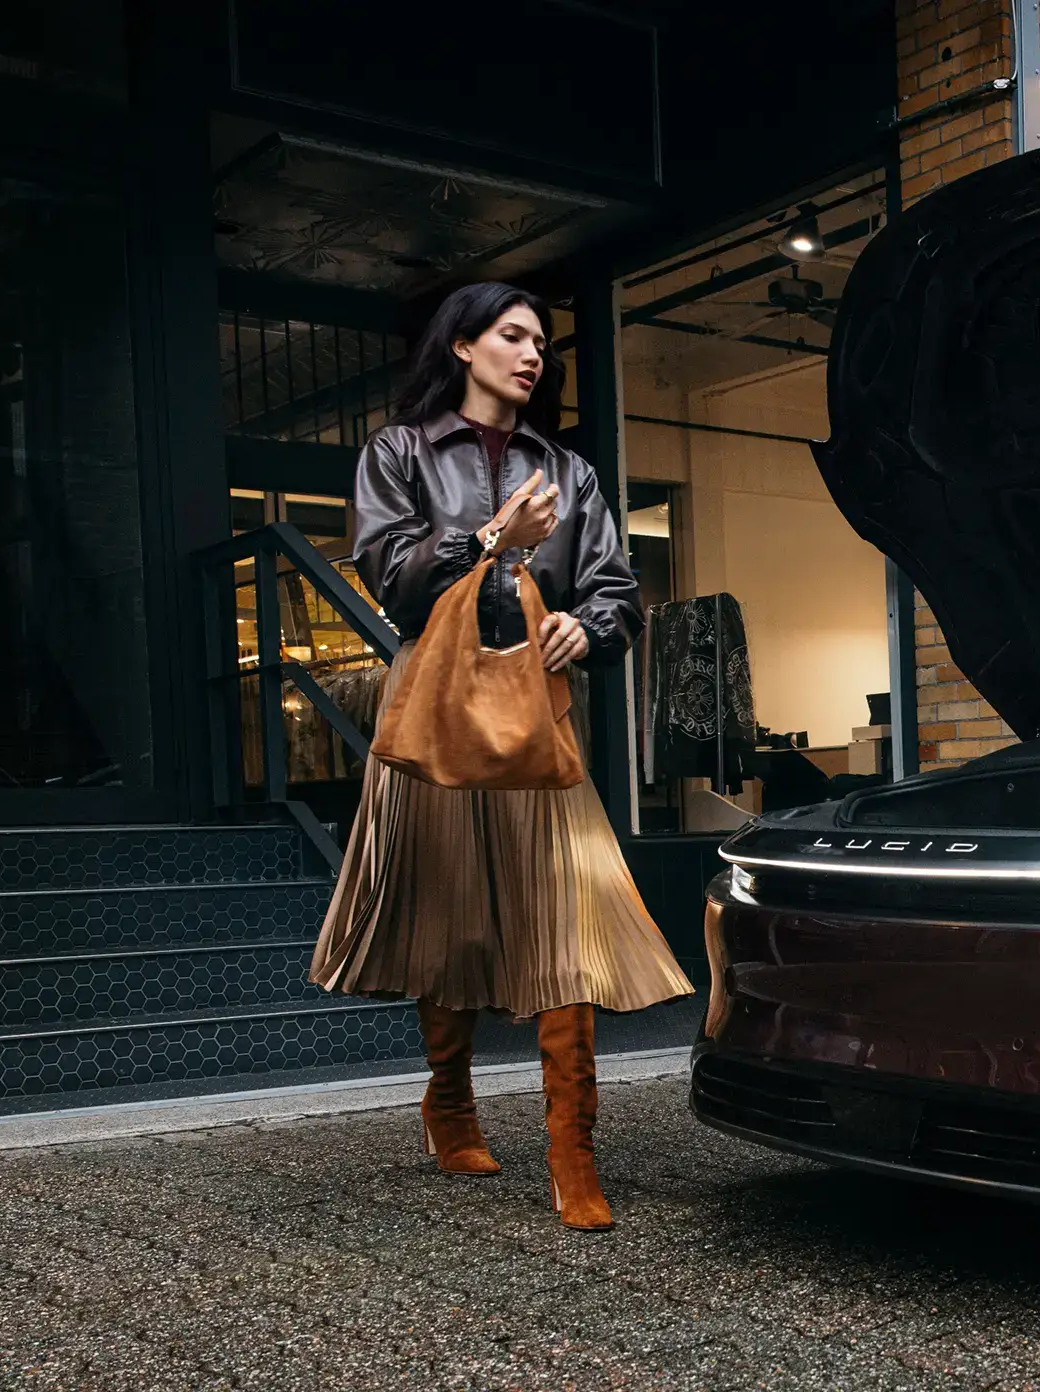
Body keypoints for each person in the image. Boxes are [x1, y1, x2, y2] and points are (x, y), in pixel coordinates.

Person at [310, 282, 693, 1231]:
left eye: (541, 342)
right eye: (513, 336)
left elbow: (615, 589)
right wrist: (492, 540)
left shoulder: (569, 469)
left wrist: (586, 626)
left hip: (535, 713)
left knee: (567, 922)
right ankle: (450, 1105)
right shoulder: (397, 452)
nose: (533, 354)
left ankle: (573, 1152)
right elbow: (392, 584)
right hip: (435, 711)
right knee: (448, 920)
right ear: (463, 345)